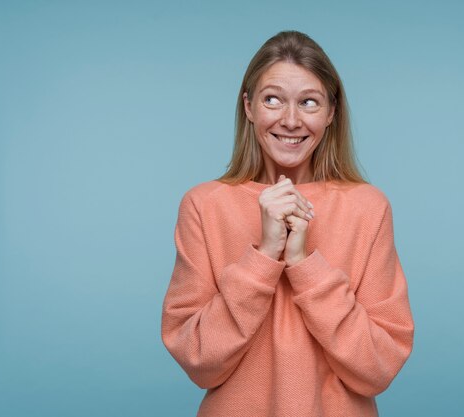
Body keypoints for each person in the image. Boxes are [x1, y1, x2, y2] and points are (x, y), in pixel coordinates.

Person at [161, 30, 414, 417]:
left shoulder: (368, 208)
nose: (291, 120)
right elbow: (199, 360)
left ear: (331, 112)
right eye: (273, 99)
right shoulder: (203, 206)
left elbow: (377, 368)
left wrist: (303, 264)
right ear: (248, 107)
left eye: (309, 102)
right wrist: (264, 256)